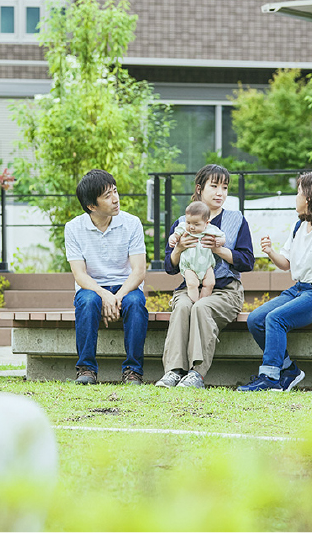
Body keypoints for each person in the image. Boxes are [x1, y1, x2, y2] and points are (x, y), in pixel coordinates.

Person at [238, 172, 312, 392]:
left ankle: (270, 379)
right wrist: (270, 252)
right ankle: (289, 370)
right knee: (256, 319)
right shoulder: (299, 227)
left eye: (299, 192)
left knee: (276, 319)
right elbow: (286, 264)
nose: (296, 197)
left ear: (310, 197)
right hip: (300, 289)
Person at [155, 164, 254, 388]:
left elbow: (247, 261)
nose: (220, 192)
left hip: (226, 290)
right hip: (188, 287)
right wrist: (179, 249)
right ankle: (173, 372)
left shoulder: (236, 220)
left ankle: (196, 374)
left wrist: (220, 250)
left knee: (201, 307)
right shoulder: (183, 222)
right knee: (182, 307)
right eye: (214, 186)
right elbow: (170, 268)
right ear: (200, 188)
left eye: (225, 187)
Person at [65, 169, 149, 385]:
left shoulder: (132, 223)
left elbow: (138, 271)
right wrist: (104, 295)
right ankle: (86, 369)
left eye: (115, 191)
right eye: (107, 196)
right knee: (87, 301)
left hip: (126, 286)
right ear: (92, 206)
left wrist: (116, 297)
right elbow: (79, 274)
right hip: (92, 288)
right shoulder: (74, 228)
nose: (115, 199)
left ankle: (133, 371)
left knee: (136, 303)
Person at [174, 200, 225, 303]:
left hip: (206, 265)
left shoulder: (211, 229)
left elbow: (222, 237)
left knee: (210, 283)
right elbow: (176, 234)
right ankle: (195, 302)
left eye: (196, 224)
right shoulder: (184, 228)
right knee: (192, 284)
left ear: (206, 223)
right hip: (189, 264)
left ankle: (201, 302)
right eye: (189, 222)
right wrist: (173, 239)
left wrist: (220, 241)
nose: (191, 227)